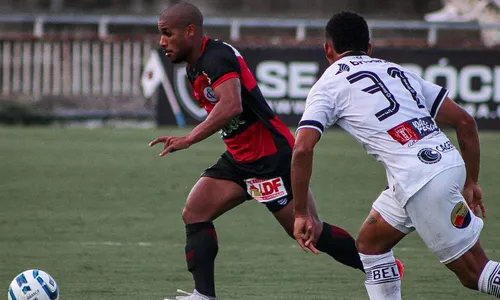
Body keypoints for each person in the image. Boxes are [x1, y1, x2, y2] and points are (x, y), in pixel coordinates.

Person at [148, 2, 403, 300]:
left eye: (167, 33)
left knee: (312, 232)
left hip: (270, 158)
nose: (162, 41)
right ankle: (203, 296)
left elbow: (232, 105)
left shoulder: (216, 57)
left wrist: (189, 139)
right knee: (195, 212)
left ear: (190, 31)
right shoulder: (196, 64)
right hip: (239, 159)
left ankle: (385, 267)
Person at [291, 10, 500, 300]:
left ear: (328, 49)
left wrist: (301, 212)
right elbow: (465, 121)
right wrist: (471, 181)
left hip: (421, 181)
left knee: (475, 273)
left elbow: (302, 148)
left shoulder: (327, 85)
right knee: (370, 244)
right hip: (439, 165)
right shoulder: (397, 71)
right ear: (370, 48)